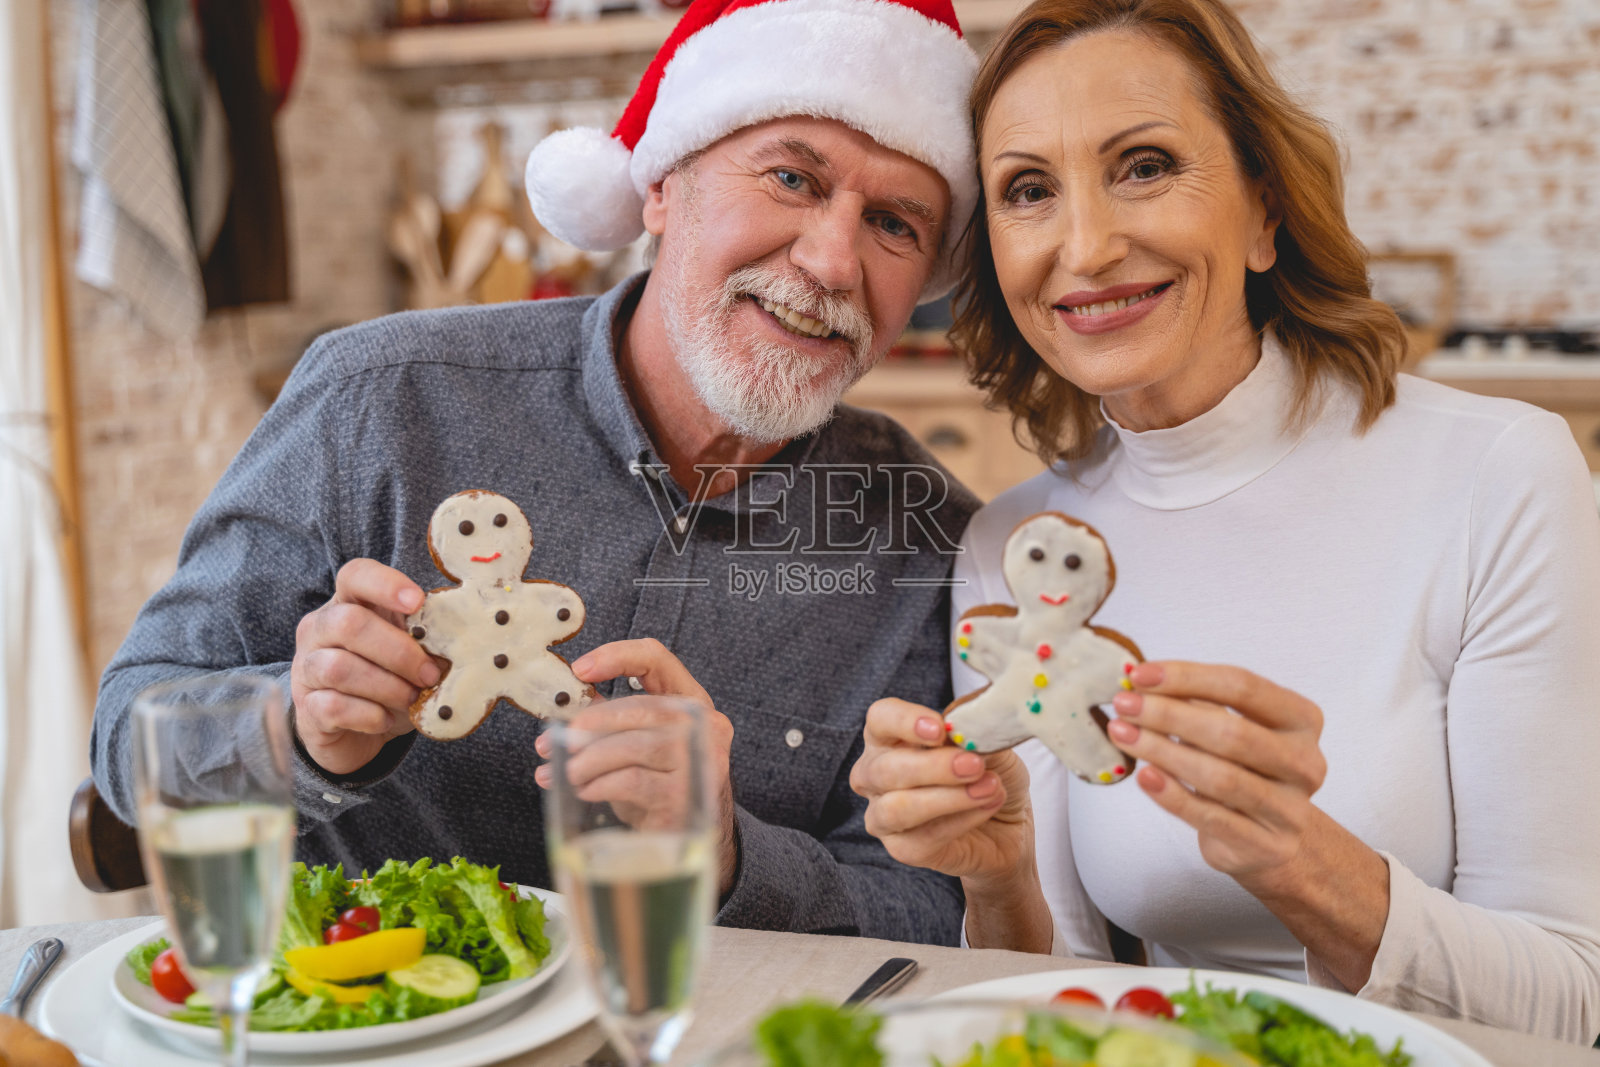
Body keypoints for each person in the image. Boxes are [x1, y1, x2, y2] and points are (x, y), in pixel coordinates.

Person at [91, 0, 984, 944]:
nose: (832, 260)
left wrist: (727, 851)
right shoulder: (379, 398)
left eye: (893, 222)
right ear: (663, 187)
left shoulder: (921, 535)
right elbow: (128, 736)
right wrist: (293, 724)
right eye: (792, 177)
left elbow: (930, 905)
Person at [849, 0, 1600, 1040]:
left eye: (1144, 165)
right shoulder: (1018, 554)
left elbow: (1570, 997)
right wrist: (997, 877)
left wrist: (1304, 863)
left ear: (1263, 210)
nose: (1087, 244)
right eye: (1029, 189)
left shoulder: (1497, 475)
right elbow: (1059, 997)